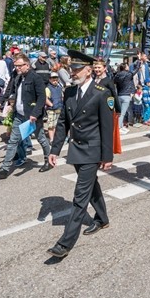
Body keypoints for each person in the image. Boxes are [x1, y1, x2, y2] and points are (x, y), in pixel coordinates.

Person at [46, 51, 114, 259]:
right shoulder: (69, 93)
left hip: (92, 150)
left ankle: (65, 244)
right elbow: (63, 123)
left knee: (80, 196)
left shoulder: (102, 92)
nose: (72, 73)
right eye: (71, 69)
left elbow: (107, 127)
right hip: (76, 149)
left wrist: (107, 156)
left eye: (76, 69)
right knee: (91, 186)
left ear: (88, 70)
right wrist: (55, 149)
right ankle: (102, 218)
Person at [0, 54, 49, 178]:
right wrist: (1, 101)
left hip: (32, 116)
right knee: (13, 141)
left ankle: (48, 159)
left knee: (41, 138)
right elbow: (10, 90)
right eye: (15, 66)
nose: (17, 68)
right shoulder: (17, 76)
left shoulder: (36, 78)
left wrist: (35, 114)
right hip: (19, 115)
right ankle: (5, 169)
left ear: (27, 65)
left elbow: (42, 98)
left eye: (19, 66)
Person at [92, 59, 121, 155]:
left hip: (105, 111)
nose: (97, 69)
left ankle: (105, 155)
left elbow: (114, 95)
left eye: (99, 67)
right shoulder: (92, 80)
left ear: (104, 68)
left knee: (105, 134)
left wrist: (117, 109)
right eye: (95, 67)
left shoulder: (108, 81)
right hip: (94, 111)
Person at [42, 72, 64, 171]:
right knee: (51, 125)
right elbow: (45, 98)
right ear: (50, 79)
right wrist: (51, 105)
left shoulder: (59, 87)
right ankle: (51, 139)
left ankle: (55, 137)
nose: (55, 80)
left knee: (56, 124)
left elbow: (61, 96)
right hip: (51, 109)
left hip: (59, 107)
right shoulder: (48, 88)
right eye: (53, 79)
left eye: (56, 79)